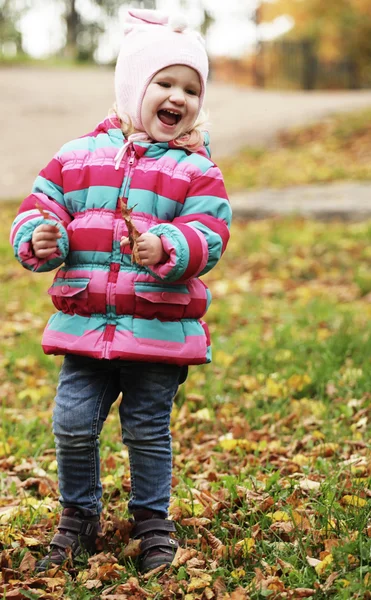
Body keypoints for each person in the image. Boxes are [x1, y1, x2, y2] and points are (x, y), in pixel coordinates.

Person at [10, 8, 231, 574]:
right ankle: (78, 515)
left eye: (190, 88)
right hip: (86, 327)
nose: (177, 97)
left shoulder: (195, 169)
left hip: (156, 325)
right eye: (164, 82)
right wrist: (42, 237)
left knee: (148, 430)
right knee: (73, 422)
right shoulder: (77, 156)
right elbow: (39, 208)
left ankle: (153, 520)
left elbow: (211, 230)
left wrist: (171, 247)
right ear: (134, 87)